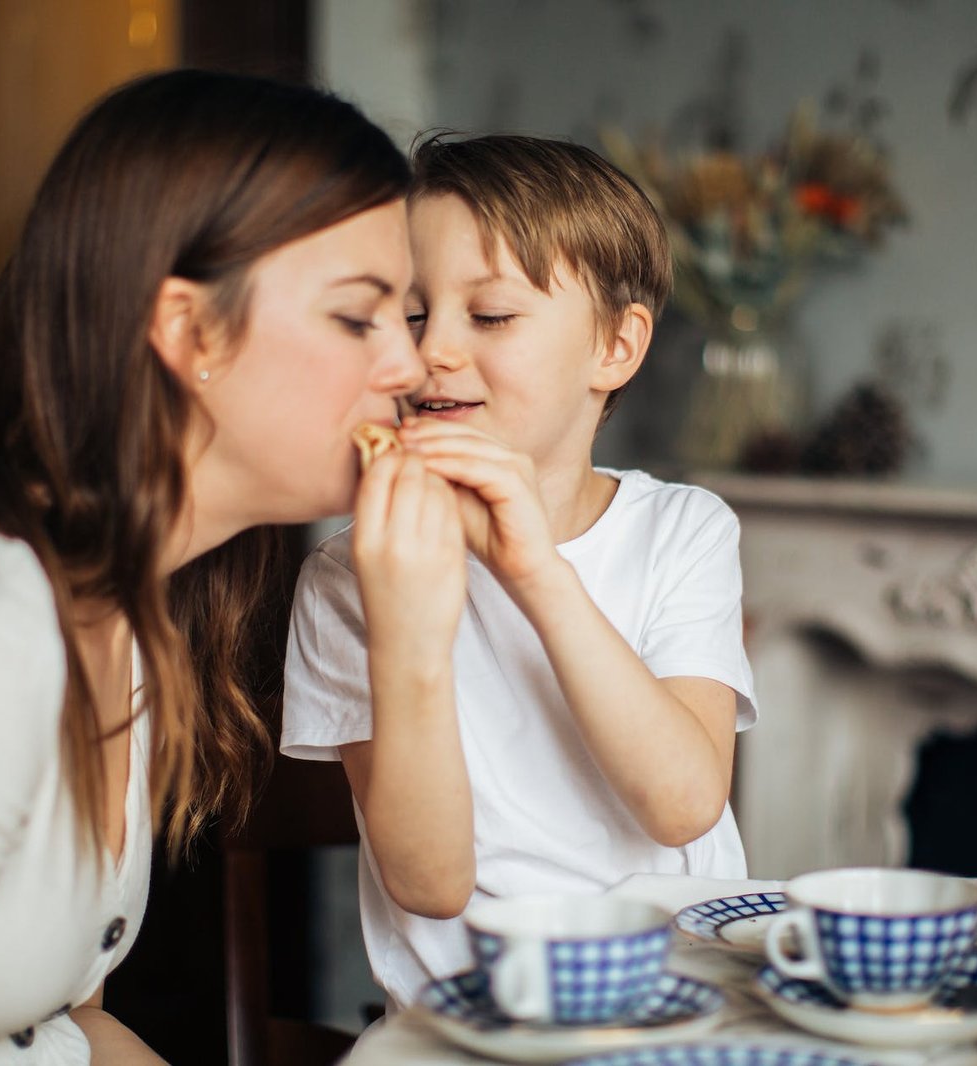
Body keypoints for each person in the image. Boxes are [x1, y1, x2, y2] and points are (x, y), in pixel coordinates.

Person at [0, 69, 456, 1065]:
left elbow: (62, 1026)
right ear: (187, 329)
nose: (410, 367)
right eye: (356, 316)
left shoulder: (126, 608)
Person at [281, 133, 759, 1009]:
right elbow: (428, 885)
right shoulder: (353, 575)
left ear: (616, 345)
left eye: (491, 316)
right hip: (470, 1022)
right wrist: (408, 624)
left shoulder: (683, 531)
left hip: (682, 1002)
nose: (433, 353)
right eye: (412, 316)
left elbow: (683, 804)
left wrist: (535, 571)